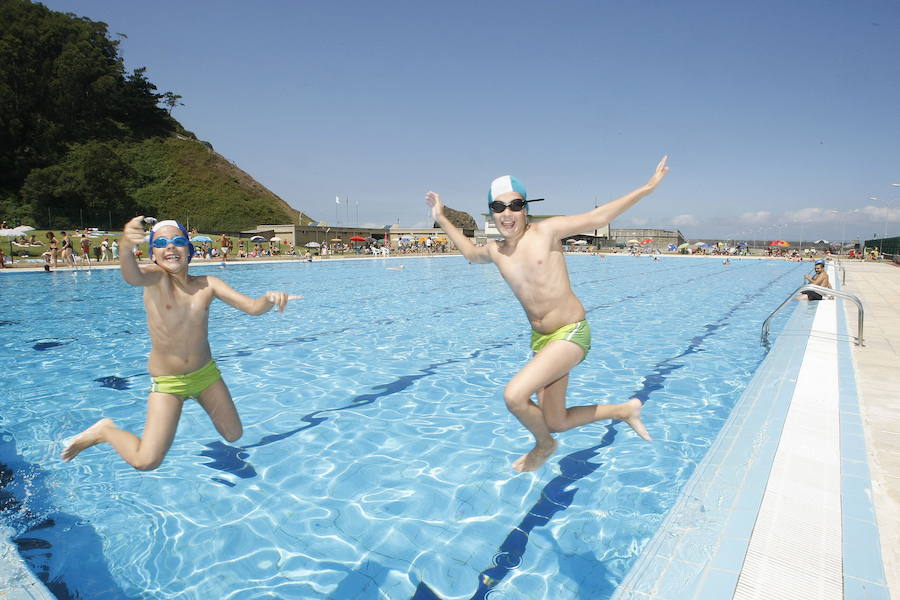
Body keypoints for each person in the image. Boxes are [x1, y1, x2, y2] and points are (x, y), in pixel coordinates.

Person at [425, 156, 668, 472]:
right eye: (499, 208)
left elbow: (599, 215)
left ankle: (544, 445)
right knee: (555, 419)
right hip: (542, 340)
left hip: (570, 333)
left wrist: (647, 188)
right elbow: (471, 254)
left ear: (525, 209)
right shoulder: (496, 251)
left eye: (515, 205)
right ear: (491, 213)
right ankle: (624, 410)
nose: (507, 213)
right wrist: (442, 218)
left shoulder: (547, 232)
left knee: (515, 396)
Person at [61, 217, 296, 470]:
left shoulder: (208, 284)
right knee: (145, 461)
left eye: (178, 241)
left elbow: (251, 307)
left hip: (206, 376)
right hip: (168, 383)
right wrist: (127, 246)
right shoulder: (155, 279)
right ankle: (106, 431)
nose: (170, 247)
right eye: (161, 243)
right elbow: (132, 276)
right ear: (153, 255)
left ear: (189, 249)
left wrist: (269, 299)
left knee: (233, 435)